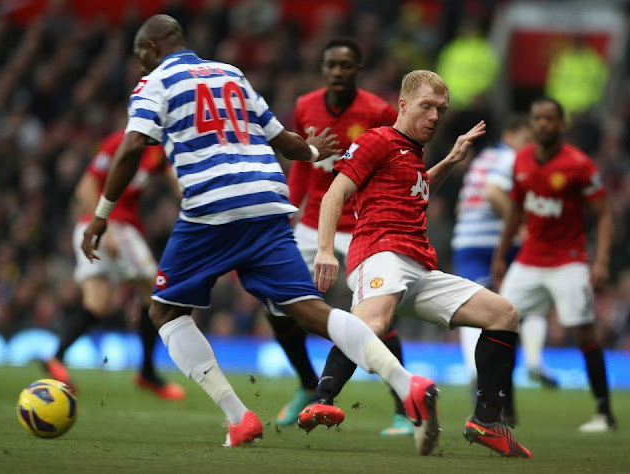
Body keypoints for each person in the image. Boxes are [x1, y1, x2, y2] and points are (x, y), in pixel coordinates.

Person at [82, 14, 443, 454]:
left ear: (153, 48)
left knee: (164, 312)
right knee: (309, 311)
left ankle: (239, 418)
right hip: (267, 200)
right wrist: (312, 152)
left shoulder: (154, 82)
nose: (140, 66)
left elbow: (133, 146)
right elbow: (280, 138)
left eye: (141, 57)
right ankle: (408, 385)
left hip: (210, 208)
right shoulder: (231, 74)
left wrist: (102, 213)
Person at [306, 69, 532, 458]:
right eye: (427, 106)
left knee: (504, 314)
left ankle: (487, 420)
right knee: (373, 323)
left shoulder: (411, 155)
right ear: (404, 104)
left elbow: (418, 187)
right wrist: (326, 249)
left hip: (421, 267)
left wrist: (451, 159)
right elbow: (335, 192)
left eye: (441, 110)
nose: (434, 116)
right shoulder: (377, 139)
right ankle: (321, 397)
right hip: (381, 252)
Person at [269, 38, 412, 436]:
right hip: (312, 222)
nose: (337, 72)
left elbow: (392, 165)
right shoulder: (304, 106)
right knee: (277, 303)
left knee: (376, 315)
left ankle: (403, 408)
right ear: (323, 68)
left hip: (362, 226)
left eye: (345, 66)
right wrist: (288, 210)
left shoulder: (377, 111)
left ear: (358, 69)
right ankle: (307, 384)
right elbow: (300, 163)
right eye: (331, 65)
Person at [492, 97, 617, 433]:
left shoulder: (578, 164)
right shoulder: (520, 161)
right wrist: (501, 256)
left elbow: (604, 215)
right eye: (538, 118)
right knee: (501, 325)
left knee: (584, 332)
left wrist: (601, 261)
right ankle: (505, 411)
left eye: (550, 119)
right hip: (529, 259)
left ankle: (605, 413)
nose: (543, 124)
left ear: (561, 124)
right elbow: (515, 212)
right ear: (532, 123)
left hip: (568, 261)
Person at [43, 129, 185, 401]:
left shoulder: (159, 151)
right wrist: (104, 229)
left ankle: (56, 358)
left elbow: (178, 186)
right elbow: (85, 187)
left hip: (108, 228)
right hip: (111, 226)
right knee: (157, 293)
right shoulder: (119, 142)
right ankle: (147, 372)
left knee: (98, 305)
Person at [451, 116, 557, 425]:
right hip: (496, 246)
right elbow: (494, 193)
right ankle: (534, 361)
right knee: (526, 302)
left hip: (466, 241)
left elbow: (464, 204)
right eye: (527, 135)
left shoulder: (483, 158)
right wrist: (521, 228)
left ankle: (475, 373)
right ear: (510, 134)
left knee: (474, 309)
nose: (532, 144)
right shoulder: (510, 157)